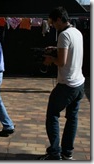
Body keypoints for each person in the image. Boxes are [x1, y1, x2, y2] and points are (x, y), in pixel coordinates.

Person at [38, 6, 85, 160]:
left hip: (67, 85)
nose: (52, 26)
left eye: (53, 23)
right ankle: (67, 153)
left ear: (59, 19)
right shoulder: (77, 32)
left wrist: (50, 59)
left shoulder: (63, 35)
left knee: (52, 115)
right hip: (79, 84)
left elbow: (62, 61)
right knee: (72, 118)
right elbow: (71, 52)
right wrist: (55, 49)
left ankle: (54, 153)